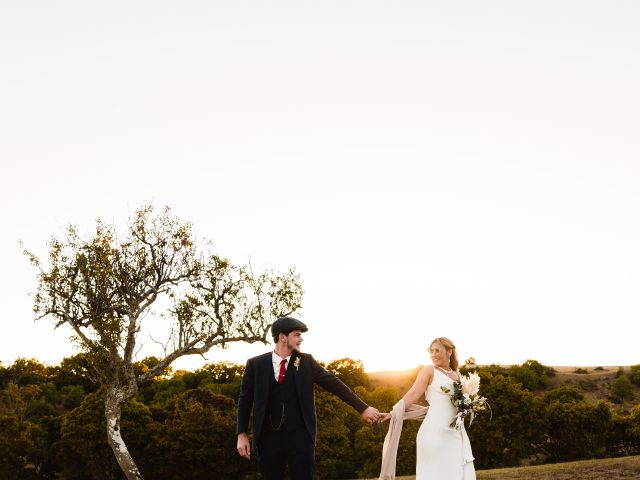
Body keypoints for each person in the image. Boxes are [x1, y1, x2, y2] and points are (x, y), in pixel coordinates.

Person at [236, 316, 382, 480]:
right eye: (297, 335)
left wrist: (363, 408)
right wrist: (241, 434)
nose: (301, 339)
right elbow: (245, 400)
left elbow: (334, 384)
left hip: (300, 437)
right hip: (267, 439)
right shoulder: (255, 365)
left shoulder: (306, 362)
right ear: (282, 337)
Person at [380, 337, 475, 480]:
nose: (434, 354)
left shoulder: (458, 374)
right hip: (433, 432)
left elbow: (460, 405)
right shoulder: (429, 371)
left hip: (455, 432)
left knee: (456, 472)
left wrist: (465, 409)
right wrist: (392, 413)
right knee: (435, 473)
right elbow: (411, 395)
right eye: (431, 351)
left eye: (438, 350)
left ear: (449, 351)